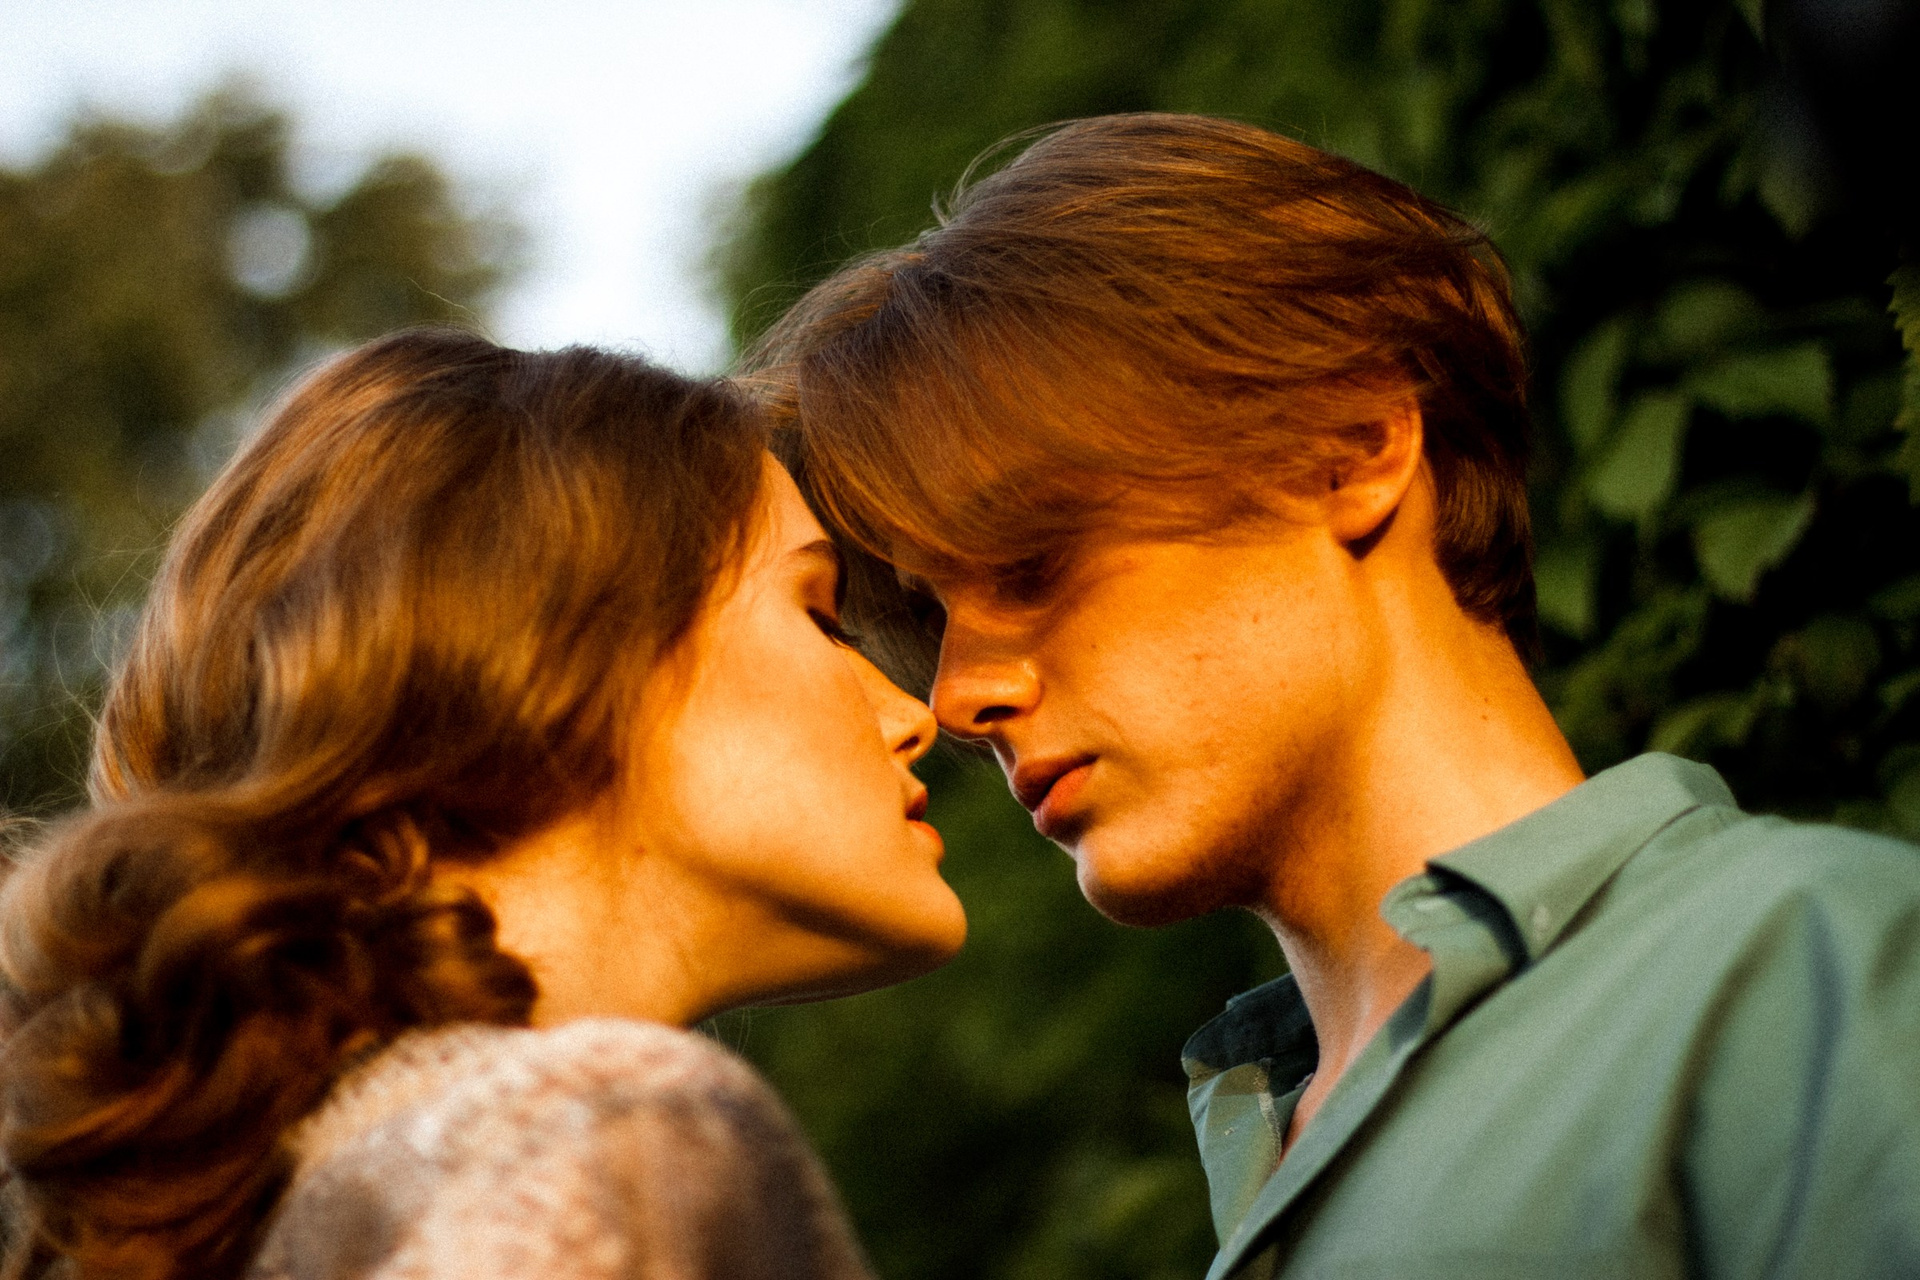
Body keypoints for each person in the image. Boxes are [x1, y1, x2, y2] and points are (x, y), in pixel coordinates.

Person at [746, 112, 1920, 1278]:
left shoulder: (1804, 969)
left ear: (1352, 446)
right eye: (936, 614)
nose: (957, 696)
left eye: (1033, 561)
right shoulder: (1270, 1138)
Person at [0, 329, 967, 1280]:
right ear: (567, 647)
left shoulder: (283, 1203)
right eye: (819, 613)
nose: (915, 713)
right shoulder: (610, 1138)